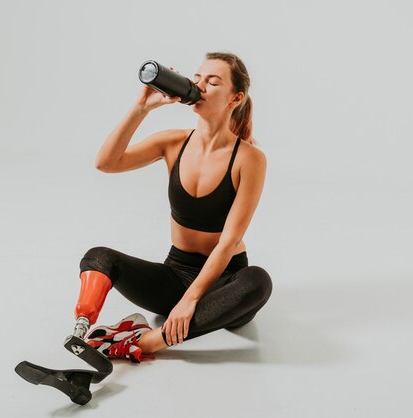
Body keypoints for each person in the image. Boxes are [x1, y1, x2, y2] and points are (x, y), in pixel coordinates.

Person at [75, 52, 273, 363]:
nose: (200, 85)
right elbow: (106, 163)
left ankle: (147, 341)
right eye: (197, 78)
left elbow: (229, 242)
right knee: (98, 257)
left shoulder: (250, 159)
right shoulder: (172, 143)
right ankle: (81, 330)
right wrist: (141, 108)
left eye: (213, 81)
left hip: (223, 284)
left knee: (258, 282)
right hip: (175, 275)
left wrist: (192, 299)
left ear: (235, 98)